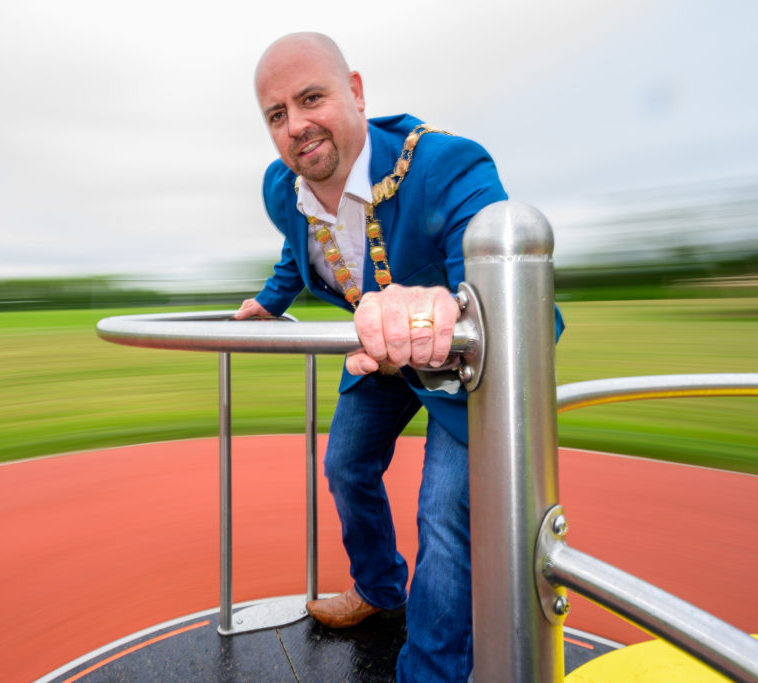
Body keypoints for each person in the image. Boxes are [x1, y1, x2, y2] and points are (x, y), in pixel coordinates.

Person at [235, 32, 564, 682]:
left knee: (443, 513)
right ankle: (381, 588)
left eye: (311, 98)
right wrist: (272, 302)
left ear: (355, 93)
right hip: (379, 359)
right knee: (345, 463)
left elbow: (512, 312)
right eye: (277, 113)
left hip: (467, 366)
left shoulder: (448, 164)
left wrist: (439, 310)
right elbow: (305, 247)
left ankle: (433, 671)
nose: (296, 125)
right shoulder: (283, 188)